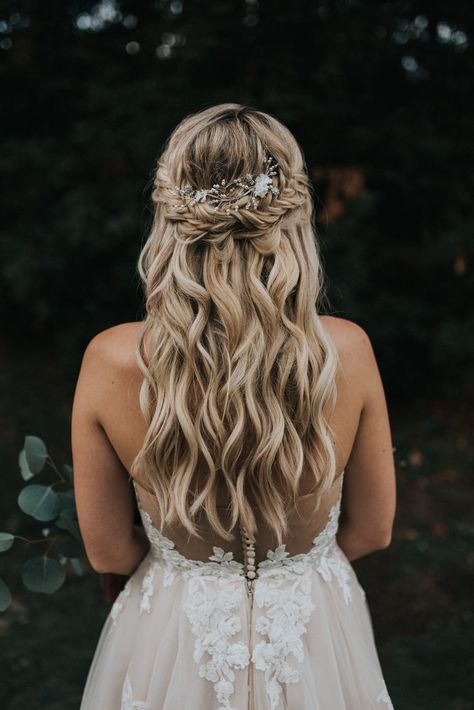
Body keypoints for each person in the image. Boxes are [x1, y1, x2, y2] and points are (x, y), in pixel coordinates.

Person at [73, 103, 396, 709]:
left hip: (171, 634)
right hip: (315, 630)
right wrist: (292, 573)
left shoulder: (112, 361)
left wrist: (193, 571)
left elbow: (108, 551)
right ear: (295, 214)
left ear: (168, 215)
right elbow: (373, 530)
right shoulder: (346, 352)